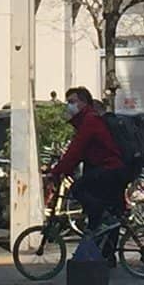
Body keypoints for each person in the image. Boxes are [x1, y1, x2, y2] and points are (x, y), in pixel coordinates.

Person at [48, 87, 126, 259]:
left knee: (78, 190)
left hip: (108, 169)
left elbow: (76, 150)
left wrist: (58, 170)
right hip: (111, 169)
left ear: (84, 102)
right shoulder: (88, 120)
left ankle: (99, 248)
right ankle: (104, 256)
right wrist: (66, 167)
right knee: (102, 217)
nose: (69, 106)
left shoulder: (90, 121)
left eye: (72, 101)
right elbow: (80, 152)